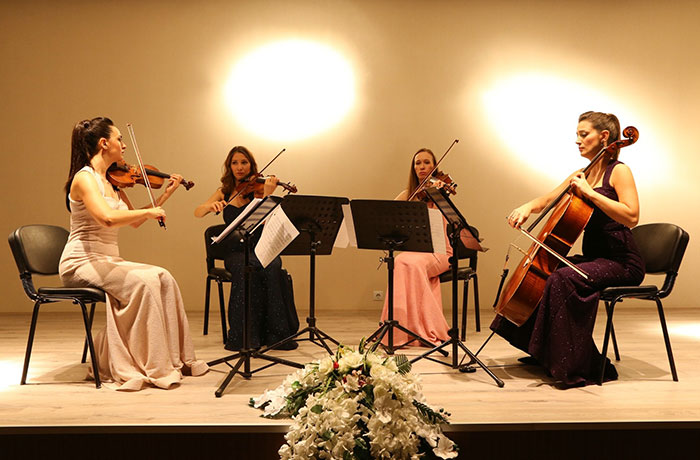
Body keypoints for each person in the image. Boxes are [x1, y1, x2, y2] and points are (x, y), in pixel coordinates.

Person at [491, 111, 645, 387]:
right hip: (595, 258)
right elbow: (548, 199)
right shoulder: (581, 174)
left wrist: (590, 193)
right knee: (550, 270)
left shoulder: (618, 171)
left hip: (622, 261)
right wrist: (527, 207)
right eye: (577, 134)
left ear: (605, 137)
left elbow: (631, 216)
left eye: (583, 134)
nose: (577, 140)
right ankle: (544, 351)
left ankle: (576, 365)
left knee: (565, 278)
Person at [59, 117, 207, 391]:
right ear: (104, 144)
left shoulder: (113, 181)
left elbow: (134, 220)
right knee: (144, 282)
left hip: (108, 259)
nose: (124, 146)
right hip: (80, 261)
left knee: (163, 277)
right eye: (119, 139)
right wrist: (150, 211)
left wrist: (164, 197)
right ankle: (145, 363)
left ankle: (175, 359)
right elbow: (106, 218)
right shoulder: (84, 179)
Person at [195, 146, 299, 351]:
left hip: (259, 247)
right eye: (235, 163)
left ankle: (275, 335)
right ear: (229, 166)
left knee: (273, 264)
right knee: (245, 268)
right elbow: (197, 212)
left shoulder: (258, 189)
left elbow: (266, 221)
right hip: (235, 251)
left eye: (244, 162)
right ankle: (245, 338)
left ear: (251, 165)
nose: (240, 167)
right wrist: (210, 207)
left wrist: (267, 196)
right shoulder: (223, 191)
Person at [379, 148, 452, 347]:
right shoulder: (409, 194)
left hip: (441, 252)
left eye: (427, 162)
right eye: (418, 163)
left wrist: (437, 192)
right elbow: (388, 218)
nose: (422, 166)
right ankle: (401, 327)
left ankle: (423, 327)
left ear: (434, 166)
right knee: (401, 260)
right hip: (417, 252)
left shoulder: (441, 192)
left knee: (408, 262)